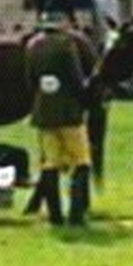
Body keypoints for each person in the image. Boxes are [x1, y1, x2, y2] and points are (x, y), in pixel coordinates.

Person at [24, 14, 91, 226]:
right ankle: (76, 214)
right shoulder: (66, 45)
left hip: (44, 111)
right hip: (69, 112)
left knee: (50, 163)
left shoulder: (32, 45)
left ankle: (55, 215)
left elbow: (30, 79)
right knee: (81, 162)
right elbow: (76, 78)